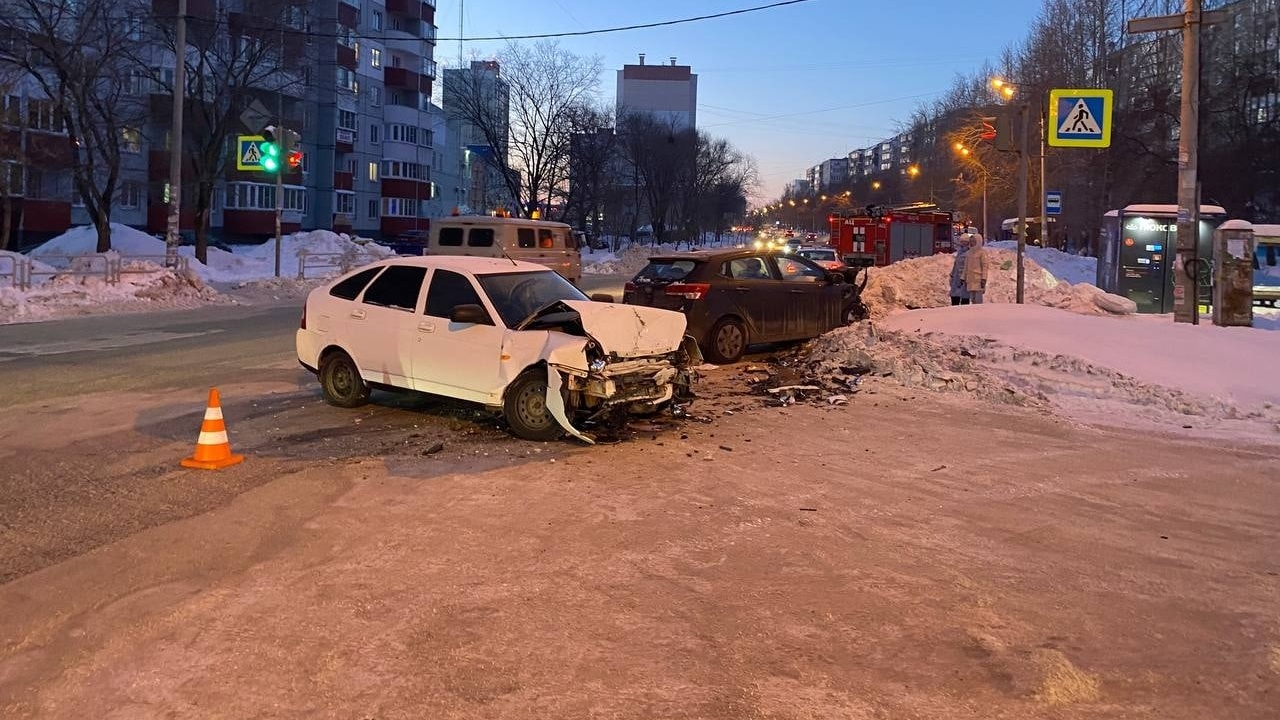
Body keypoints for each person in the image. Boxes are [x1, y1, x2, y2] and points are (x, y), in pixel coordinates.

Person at [963, 231, 990, 304]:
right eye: (971, 241)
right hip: (970, 279)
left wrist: (984, 279)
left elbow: (985, 267)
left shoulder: (982, 253)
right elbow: (966, 266)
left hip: (978, 280)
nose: (971, 243)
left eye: (973, 241)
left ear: (978, 242)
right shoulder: (968, 253)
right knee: (972, 300)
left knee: (978, 300)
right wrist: (963, 277)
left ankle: (979, 313)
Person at [949, 232, 971, 305]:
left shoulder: (969, 253)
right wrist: (952, 275)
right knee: (955, 299)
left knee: (964, 300)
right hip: (956, 280)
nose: (963, 244)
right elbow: (956, 265)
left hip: (963, 281)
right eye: (961, 242)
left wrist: (964, 278)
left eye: (964, 242)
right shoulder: (960, 252)